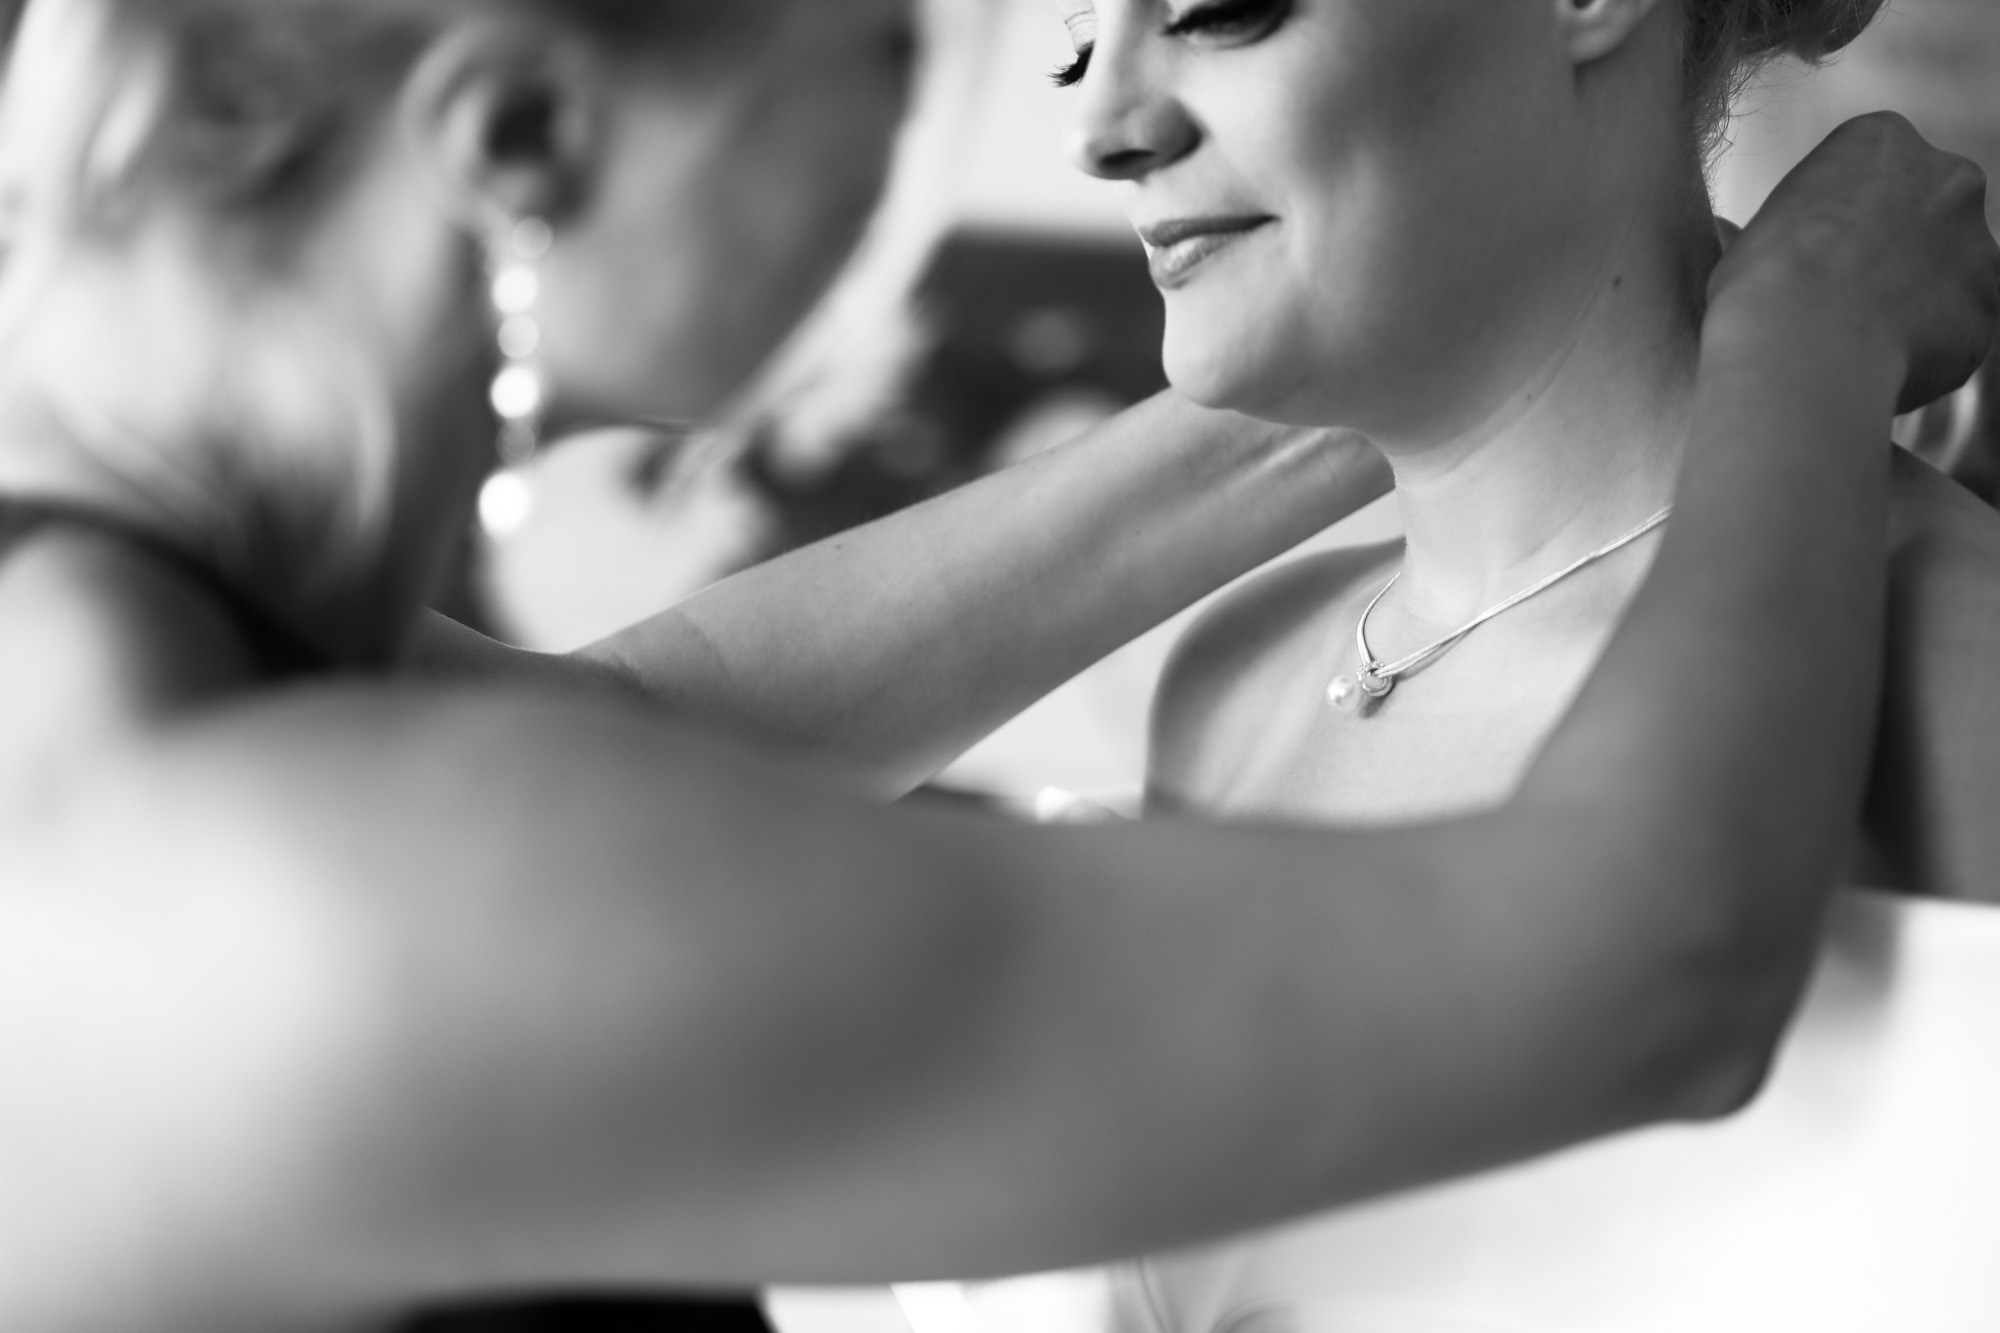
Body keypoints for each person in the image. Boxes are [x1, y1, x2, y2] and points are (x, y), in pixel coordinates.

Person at [0, 3, 1990, 1333]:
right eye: (890, 41)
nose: (1090, 118)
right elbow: (1650, 956)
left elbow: (626, 721)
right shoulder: (271, 881)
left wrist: (1422, 335)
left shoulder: (112, 647)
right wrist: (1800, 336)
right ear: (520, 130)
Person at [969, 0, 2000, 1328]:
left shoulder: (1951, 665)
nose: (1100, 129)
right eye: (1072, 33)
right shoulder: (1237, 678)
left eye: (1213, 11)